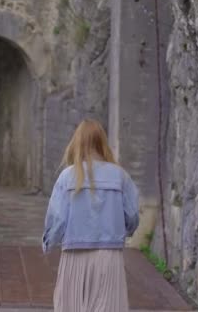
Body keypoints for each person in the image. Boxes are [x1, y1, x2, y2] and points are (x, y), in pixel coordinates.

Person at [42, 119, 140, 312]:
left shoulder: (68, 176)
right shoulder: (120, 176)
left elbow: (59, 219)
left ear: (76, 142)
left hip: (74, 253)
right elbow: (133, 216)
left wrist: (48, 241)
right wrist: (123, 231)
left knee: (71, 306)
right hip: (109, 255)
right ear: (102, 142)